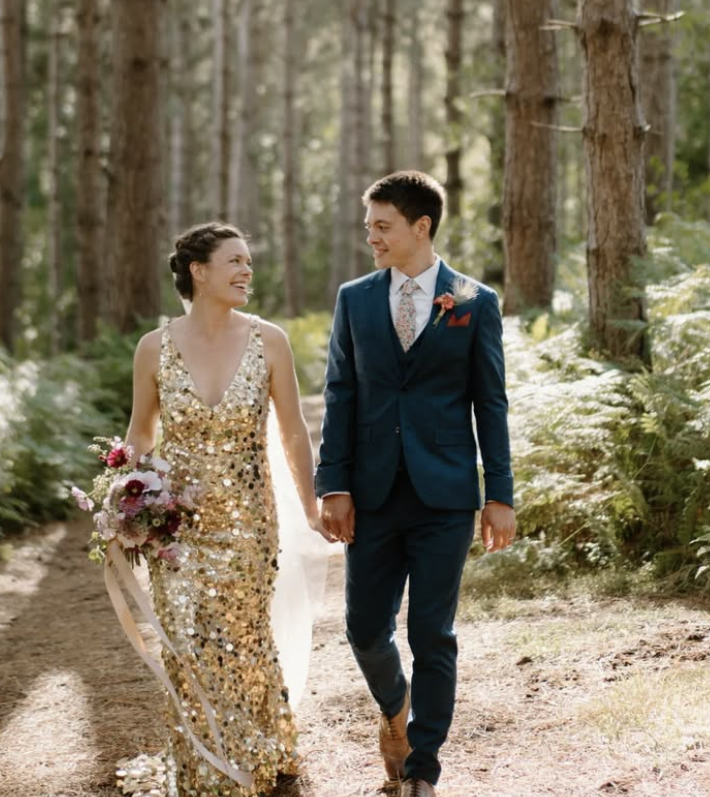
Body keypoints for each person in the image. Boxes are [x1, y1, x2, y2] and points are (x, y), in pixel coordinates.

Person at [316, 170, 516, 797]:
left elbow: (492, 402)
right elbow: (340, 393)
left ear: (420, 226)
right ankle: (394, 707)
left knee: (434, 632)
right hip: (371, 494)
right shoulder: (355, 298)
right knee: (364, 628)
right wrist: (333, 484)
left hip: (446, 496)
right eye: (368, 225)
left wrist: (500, 494)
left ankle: (423, 767)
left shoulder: (474, 301)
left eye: (382, 225)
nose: (370, 236)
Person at [124, 221, 331, 797]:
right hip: (175, 529)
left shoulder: (270, 341)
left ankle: (257, 753)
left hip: (248, 525)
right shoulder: (153, 348)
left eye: (249, 263)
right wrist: (126, 498)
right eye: (235, 261)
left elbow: (292, 434)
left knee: (241, 638)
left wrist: (311, 506)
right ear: (199, 270)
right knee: (188, 639)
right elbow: (141, 434)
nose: (247, 272)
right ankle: (200, 764)